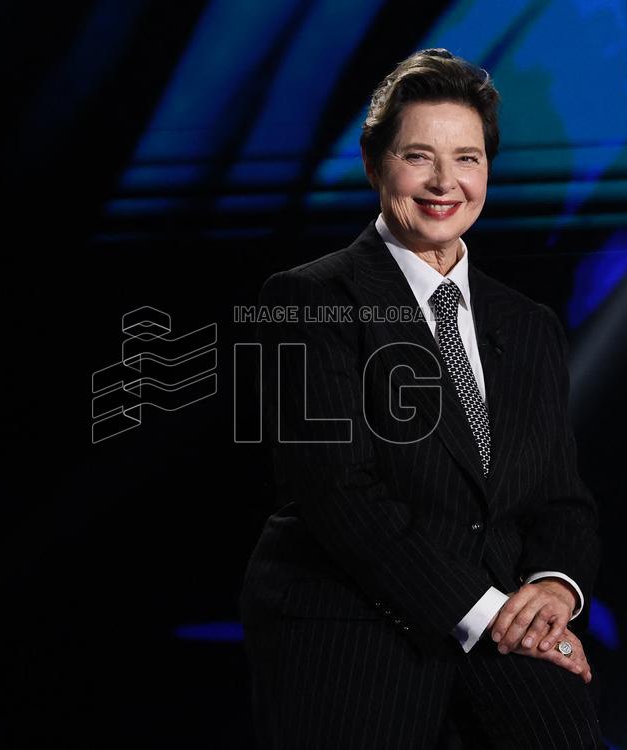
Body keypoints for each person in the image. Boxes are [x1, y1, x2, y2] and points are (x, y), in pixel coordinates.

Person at [239, 48, 604, 749]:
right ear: (376, 165)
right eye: (419, 157)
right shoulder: (307, 299)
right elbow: (340, 494)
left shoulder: (528, 324)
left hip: (502, 628)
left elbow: (561, 500)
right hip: (353, 624)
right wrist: (497, 616)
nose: (445, 183)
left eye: (466, 159)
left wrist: (554, 592)